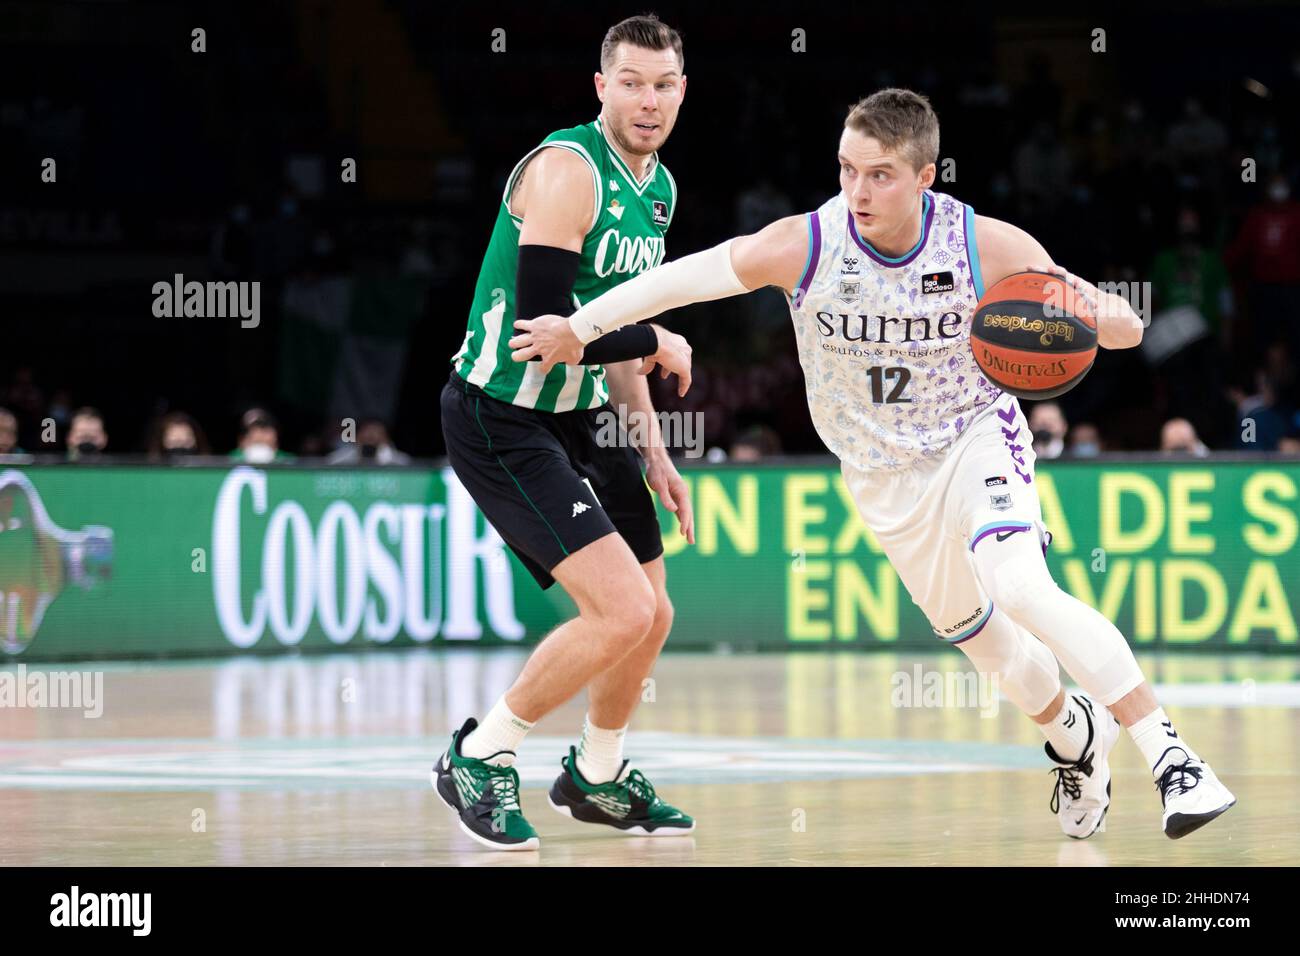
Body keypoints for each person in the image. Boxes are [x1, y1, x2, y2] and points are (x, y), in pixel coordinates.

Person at [514, 88, 1236, 841]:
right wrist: (582, 325)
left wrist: (1098, 313)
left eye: (881, 174)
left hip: (974, 437)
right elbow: (683, 279)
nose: (858, 190)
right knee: (993, 652)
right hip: (882, 478)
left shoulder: (986, 245)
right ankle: (1073, 735)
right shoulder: (807, 244)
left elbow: (1118, 328)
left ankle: (1172, 757)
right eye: (847, 170)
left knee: (1022, 587)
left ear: (926, 177)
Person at [434, 15, 697, 850]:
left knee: (653, 610)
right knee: (618, 610)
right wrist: (657, 339)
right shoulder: (566, 171)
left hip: (583, 411)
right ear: (601, 88)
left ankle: (599, 773)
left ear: (681, 92)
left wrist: (653, 450)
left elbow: (609, 334)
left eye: (663, 85)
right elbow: (548, 325)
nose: (648, 100)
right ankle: (482, 753)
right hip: (501, 415)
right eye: (631, 82)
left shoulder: (659, 188)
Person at [326, 419, 410, 465]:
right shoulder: (340, 458)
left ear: (386, 439)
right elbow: (326, 466)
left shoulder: (401, 461)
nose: (370, 435)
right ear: (356, 438)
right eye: (366, 434)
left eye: (376, 433)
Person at [230, 408, 294, 463]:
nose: (260, 435)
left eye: (264, 428)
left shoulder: (290, 462)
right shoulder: (229, 461)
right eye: (253, 430)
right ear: (242, 441)